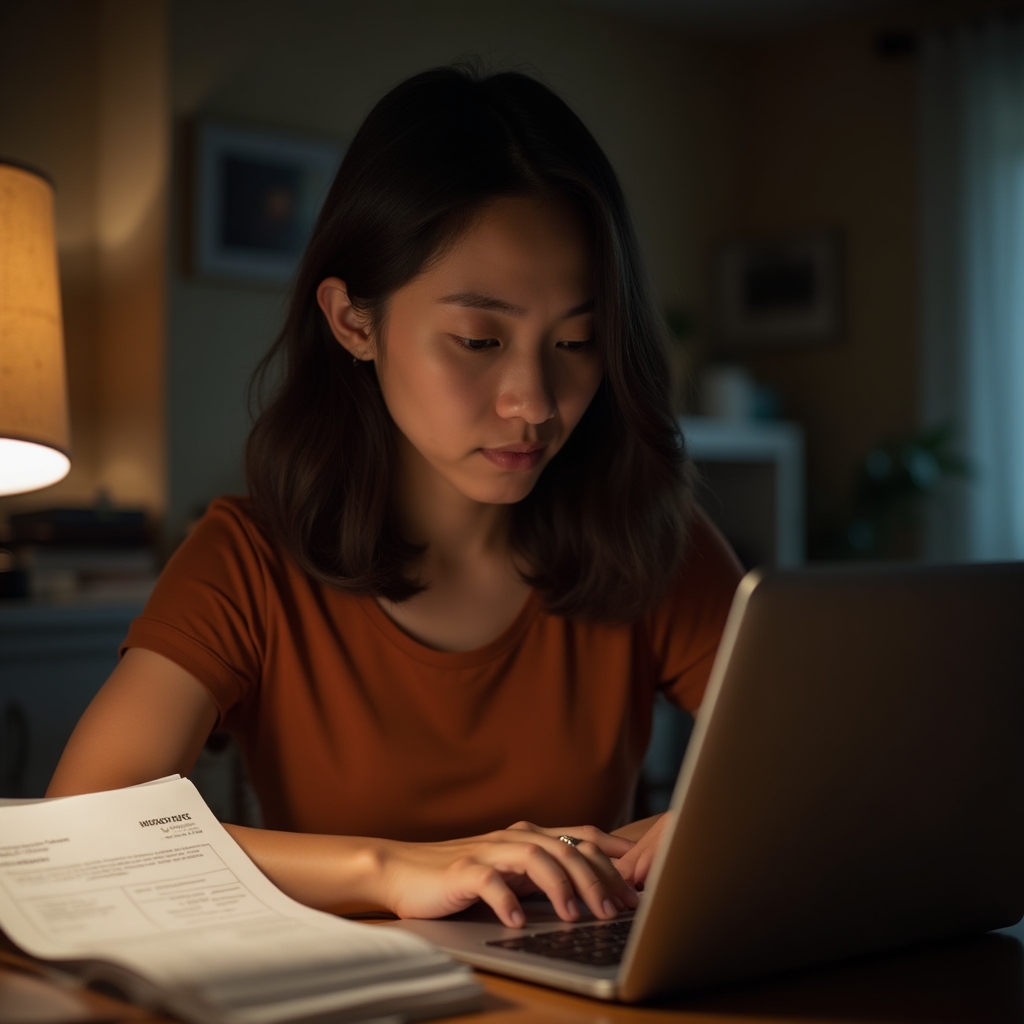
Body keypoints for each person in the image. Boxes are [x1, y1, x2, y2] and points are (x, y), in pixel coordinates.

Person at [47, 66, 742, 930]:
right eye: (478, 339)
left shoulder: (644, 532)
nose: (534, 400)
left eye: (576, 340)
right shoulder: (249, 560)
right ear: (353, 322)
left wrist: (691, 832)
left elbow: (815, 763)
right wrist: (391, 871)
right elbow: (84, 829)